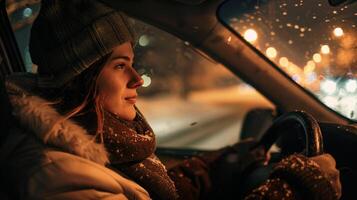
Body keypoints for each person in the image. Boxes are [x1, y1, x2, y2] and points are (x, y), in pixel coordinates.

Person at [0, 0, 341, 199]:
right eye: (120, 66)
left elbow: (160, 191)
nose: (136, 80)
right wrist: (297, 187)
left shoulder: (98, 147)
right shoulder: (59, 176)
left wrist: (222, 165)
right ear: (79, 78)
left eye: (132, 64)